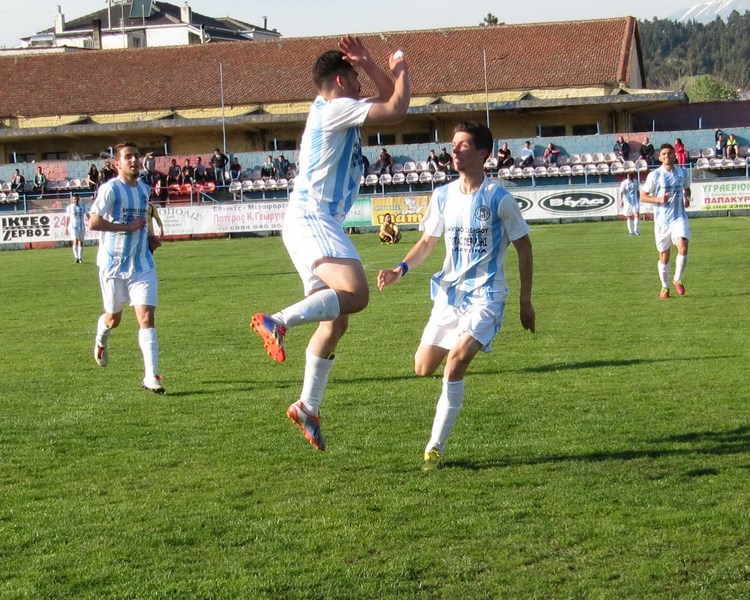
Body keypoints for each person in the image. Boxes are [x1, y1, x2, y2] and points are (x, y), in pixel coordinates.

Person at [250, 35, 411, 451]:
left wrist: (370, 64)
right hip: (313, 216)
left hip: (312, 219)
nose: (361, 86)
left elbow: (382, 97)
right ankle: (278, 321)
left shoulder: (332, 107)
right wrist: (400, 69)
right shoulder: (336, 108)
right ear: (340, 81)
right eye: (355, 78)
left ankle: (308, 406)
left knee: (335, 321)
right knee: (356, 293)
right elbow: (396, 107)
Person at [377, 121, 534, 472]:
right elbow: (427, 242)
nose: (455, 150)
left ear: (483, 154)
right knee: (422, 367)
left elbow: (524, 248)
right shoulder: (443, 195)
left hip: (487, 296)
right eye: (453, 144)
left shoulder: (499, 198)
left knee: (455, 362)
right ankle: (460, 342)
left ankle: (434, 447)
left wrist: (525, 302)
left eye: (463, 145)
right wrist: (399, 270)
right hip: (450, 296)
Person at [88, 141, 165, 394]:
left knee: (146, 317)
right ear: (117, 164)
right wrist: (127, 228)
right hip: (112, 266)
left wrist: (150, 242)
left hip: (142, 264)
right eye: (128, 157)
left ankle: (151, 376)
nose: (134, 160)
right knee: (113, 319)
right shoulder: (111, 189)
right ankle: (101, 340)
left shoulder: (144, 189)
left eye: (136, 156)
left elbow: (141, 225)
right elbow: (94, 222)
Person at [639, 143, 691, 300]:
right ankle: (665, 286)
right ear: (660, 157)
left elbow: (687, 189)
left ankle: (677, 279)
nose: (667, 156)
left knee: (682, 245)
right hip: (662, 221)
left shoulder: (682, 172)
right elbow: (642, 196)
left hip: (679, 217)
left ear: (674, 155)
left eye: (669, 153)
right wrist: (658, 199)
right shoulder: (655, 175)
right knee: (664, 256)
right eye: (664, 154)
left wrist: (687, 198)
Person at [63, 194, 88, 263]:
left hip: (81, 226)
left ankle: (80, 258)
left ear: (79, 199)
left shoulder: (83, 206)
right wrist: (66, 228)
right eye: (74, 199)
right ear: (72, 200)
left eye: (76, 199)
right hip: (73, 226)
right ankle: (76, 257)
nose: (75, 200)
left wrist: (91, 222)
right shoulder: (69, 207)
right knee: (75, 240)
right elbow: (67, 218)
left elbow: (87, 215)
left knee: (81, 241)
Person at [618, 171, 640, 236]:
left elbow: (638, 191)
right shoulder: (624, 183)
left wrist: (638, 198)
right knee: (629, 216)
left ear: (633, 176)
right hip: (627, 202)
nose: (630, 177)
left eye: (631, 176)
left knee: (637, 214)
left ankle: (636, 230)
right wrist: (621, 201)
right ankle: (631, 231)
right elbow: (621, 192)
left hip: (635, 201)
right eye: (628, 176)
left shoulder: (636, 182)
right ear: (627, 177)